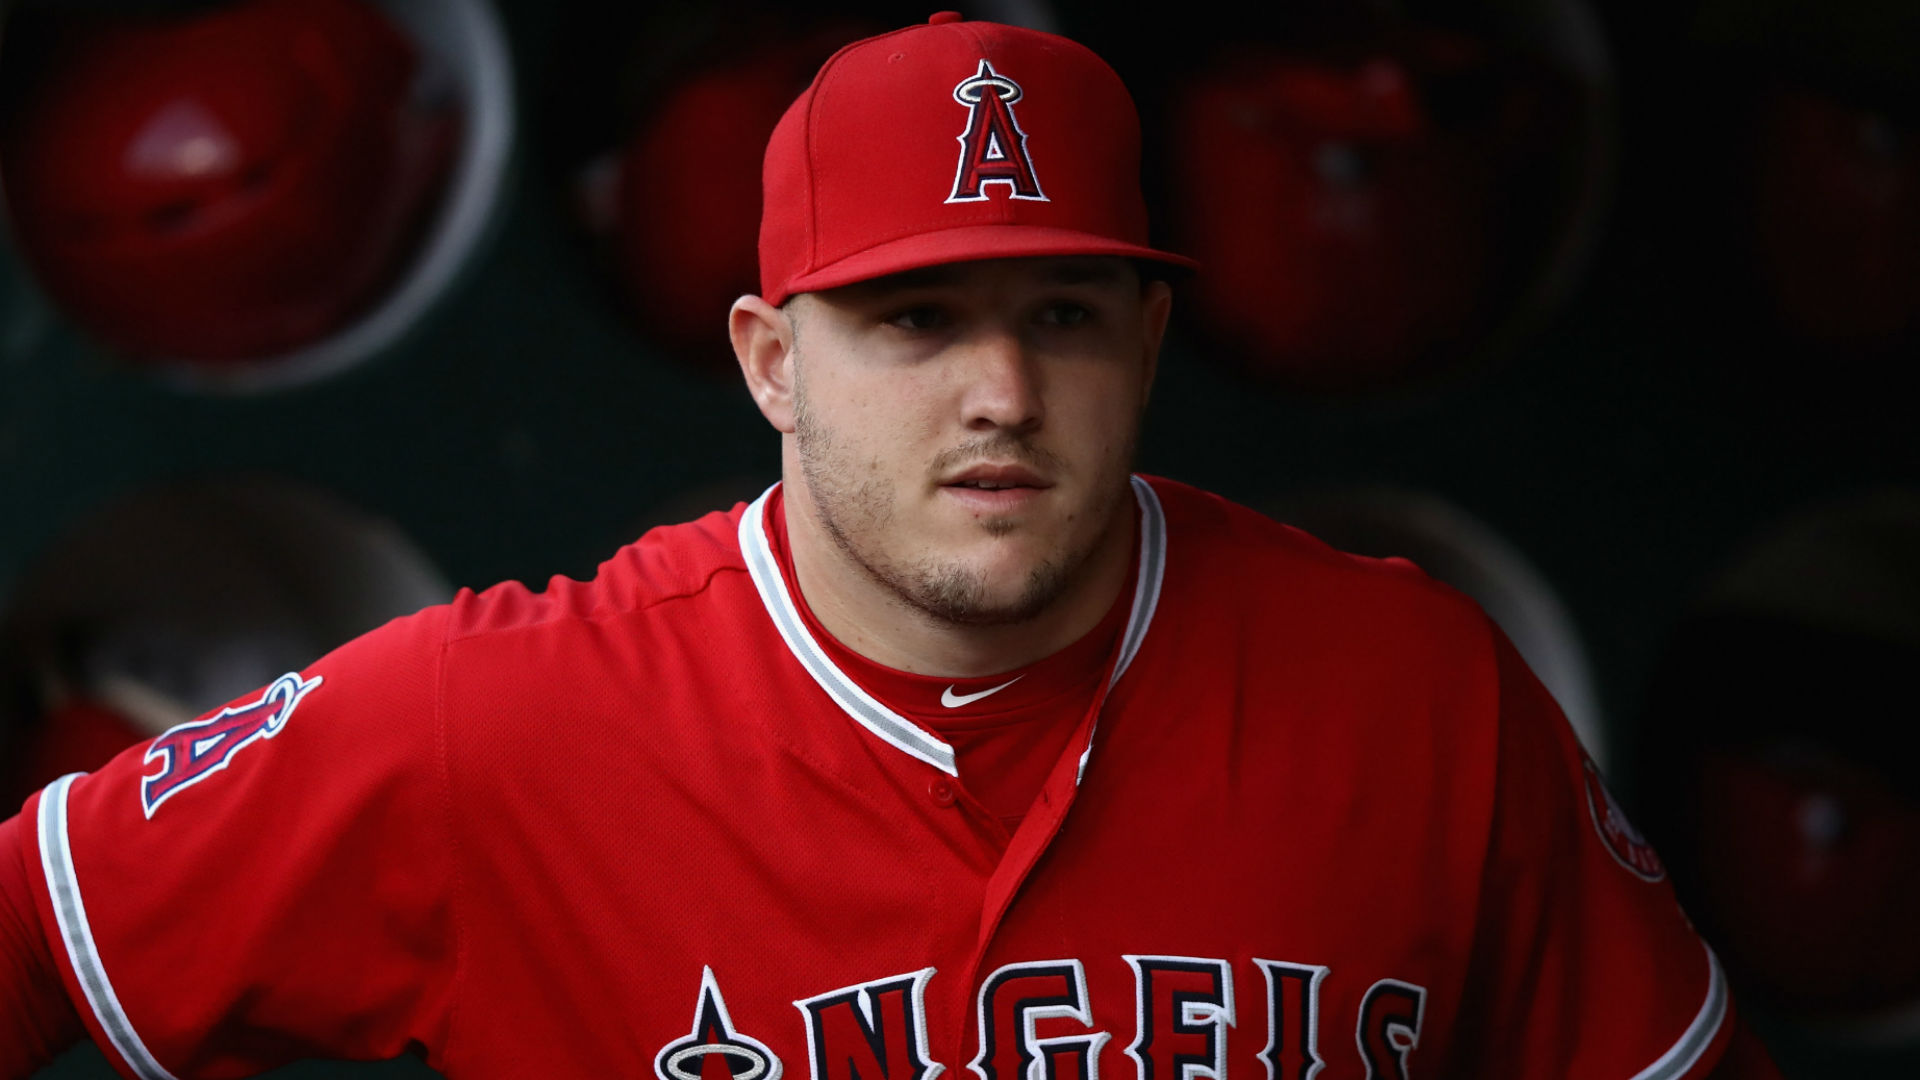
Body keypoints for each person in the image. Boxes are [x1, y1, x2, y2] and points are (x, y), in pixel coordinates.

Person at [2, 14, 1780, 1078]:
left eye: (1064, 316)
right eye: (914, 320)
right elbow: (28, 933)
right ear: (773, 363)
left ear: (1150, 343)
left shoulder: (1415, 694)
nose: (1001, 392)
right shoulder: (496, 725)